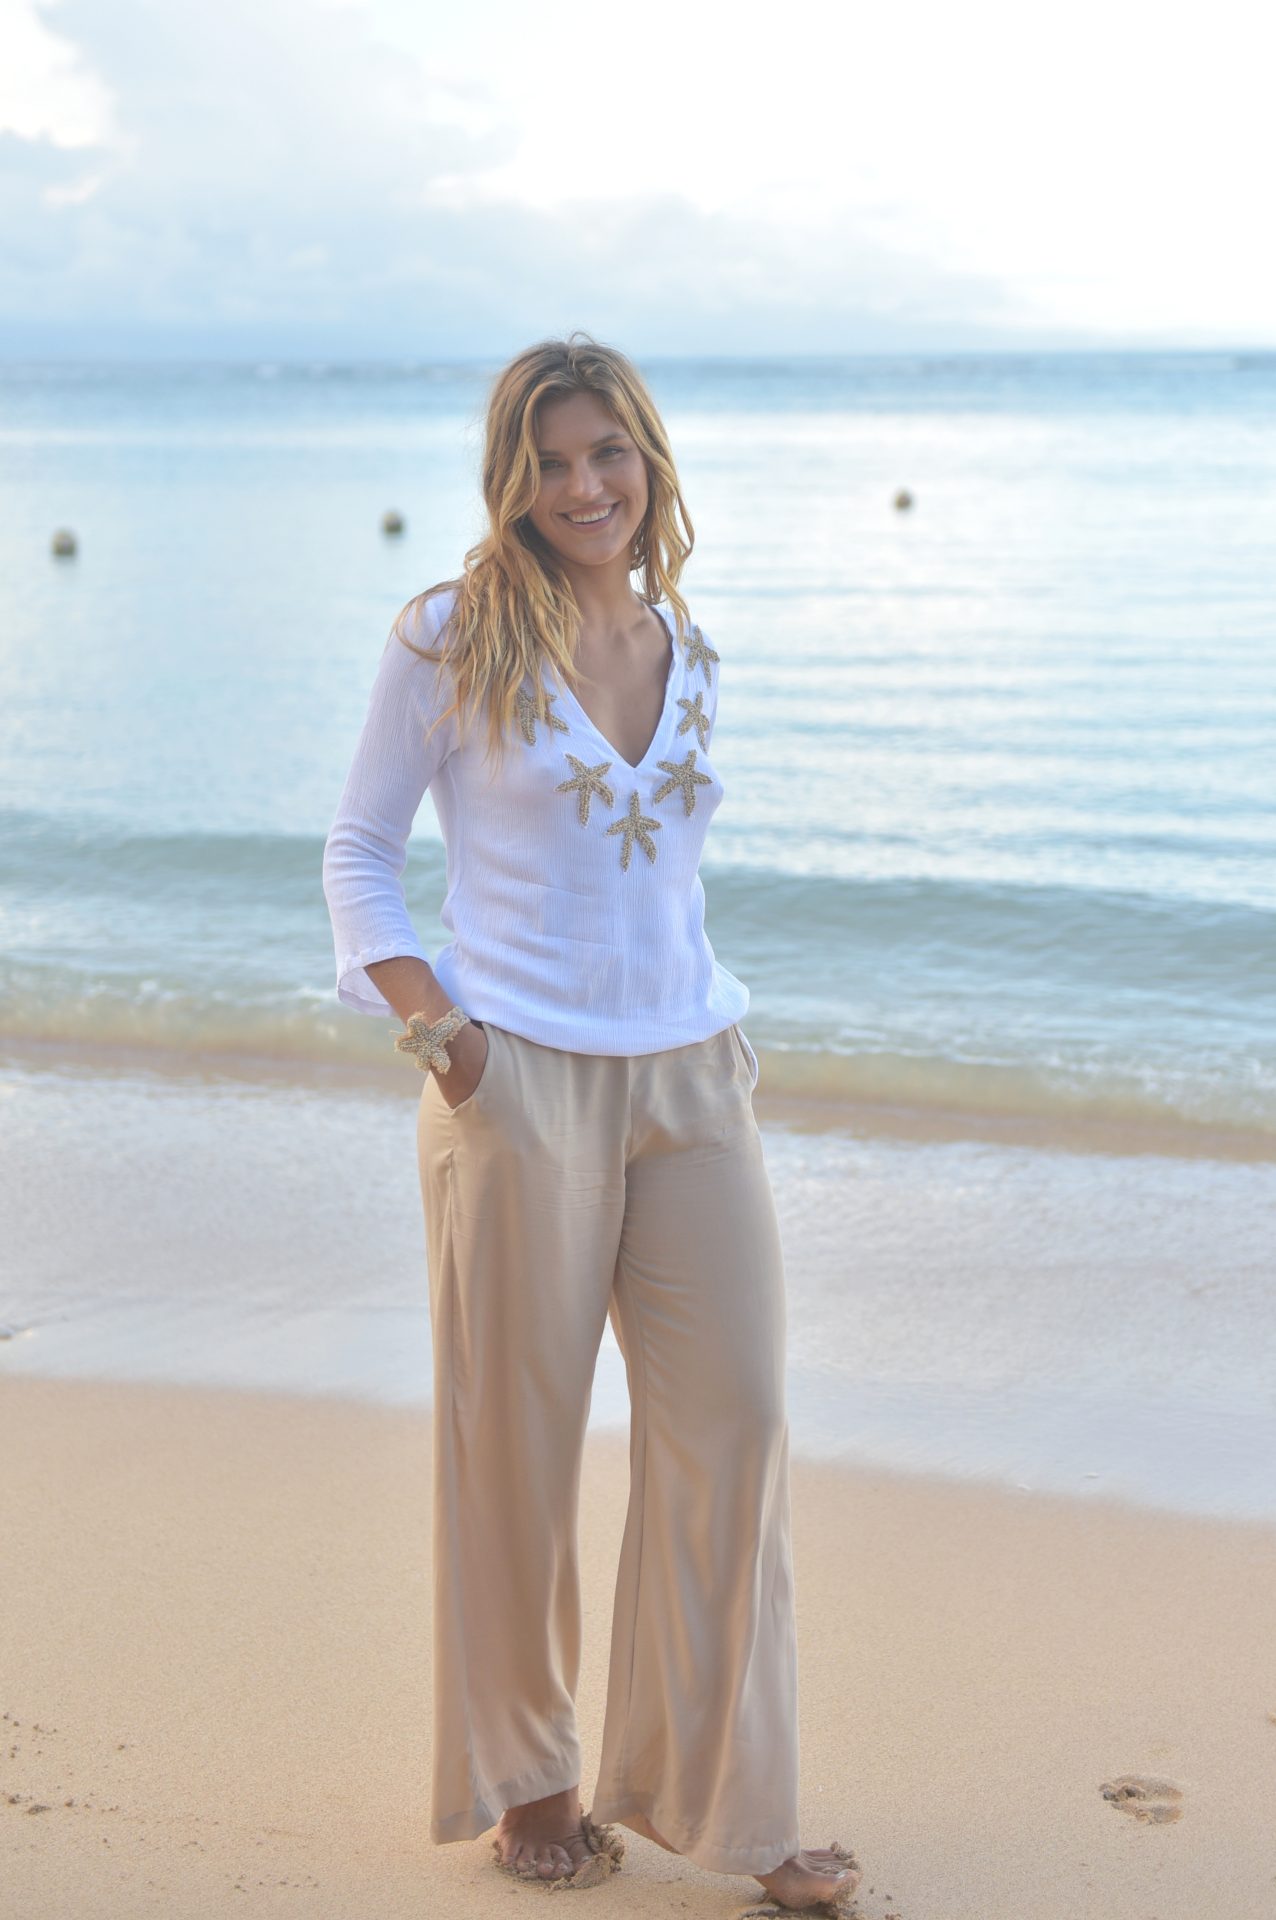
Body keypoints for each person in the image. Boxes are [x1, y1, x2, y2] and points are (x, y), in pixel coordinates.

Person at [321, 333, 860, 1912]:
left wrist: (704, 1039)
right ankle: (532, 1780)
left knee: (736, 1424)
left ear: (648, 459)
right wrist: (444, 1038)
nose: (583, 486)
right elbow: (359, 849)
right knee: (519, 1446)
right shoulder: (449, 634)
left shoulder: (692, 645)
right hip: (515, 1081)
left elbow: (660, 882)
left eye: (606, 453)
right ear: (512, 477)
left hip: (693, 1076)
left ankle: (734, 1806)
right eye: (550, 461)